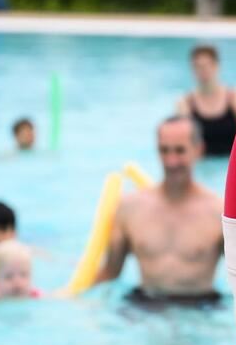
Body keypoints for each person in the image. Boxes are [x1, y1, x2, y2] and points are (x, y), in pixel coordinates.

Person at [96, 116, 224, 307]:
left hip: (200, 308)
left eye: (180, 151)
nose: (171, 161)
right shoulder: (129, 208)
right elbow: (109, 273)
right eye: (164, 151)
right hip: (145, 305)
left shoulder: (218, 213)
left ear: (199, 151)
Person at [175, 44, 236, 157]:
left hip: (230, 162)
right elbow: (183, 145)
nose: (203, 71)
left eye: (206, 66)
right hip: (203, 165)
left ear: (216, 66)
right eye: (197, 67)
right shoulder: (185, 103)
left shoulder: (235, 98)